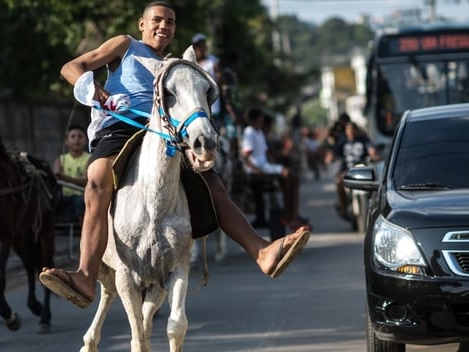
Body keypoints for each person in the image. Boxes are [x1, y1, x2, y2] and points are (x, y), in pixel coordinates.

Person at [39, 1, 310, 309]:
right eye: (157, 19)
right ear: (142, 24)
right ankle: (86, 277)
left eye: (170, 21)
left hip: (166, 131)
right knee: (97, 179)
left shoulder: (174, 65)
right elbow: (70, 68)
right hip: (122, 127)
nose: (163, 26)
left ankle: (262, 252)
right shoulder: (125, 45)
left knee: (212, 181)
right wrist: (96, 91)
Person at [241, 108, 305, 230]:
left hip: (265, 165)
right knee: (287, 175)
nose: (262, 122)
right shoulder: (249, 132)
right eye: (259, 120)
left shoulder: (259, 132)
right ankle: (289, 215)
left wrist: (275, 163)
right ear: (253, 121)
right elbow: (246, 156)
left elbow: (266, 153)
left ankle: (292, 213)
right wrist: (255, 170)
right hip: (258, 167)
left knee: (294, 177)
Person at [325, 121, 379, 220]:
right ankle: (343, 205)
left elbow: (371, 150)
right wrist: (329, 158)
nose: (351, 132)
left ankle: (375, 203)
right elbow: (333, 152)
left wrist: (374, 155)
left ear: (356, 130)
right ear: (346, 131)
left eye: (352, 129)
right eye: (348, 130)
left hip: (362, 168)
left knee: (374, 181)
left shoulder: (363, 139)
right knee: (339, 181)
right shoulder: (342, 141)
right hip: (347, 169)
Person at [53, 124, 90, 223]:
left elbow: (86, 181)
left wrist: (67, 179)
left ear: (86, 141)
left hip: (82, 197)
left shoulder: (90, 159)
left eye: (80, 136)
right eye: (73, 136)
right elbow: (56, 178)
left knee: (80, 203)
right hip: (64, 197)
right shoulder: (60, 160)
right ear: (67, 141)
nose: (77, 139)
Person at [191, 33, 223, 121]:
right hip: (196, 107)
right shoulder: (191, 63)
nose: (201, 49)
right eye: (198, 46)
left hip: (212, 106)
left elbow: (220, 80)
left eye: (203, 46)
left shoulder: (213, 61)